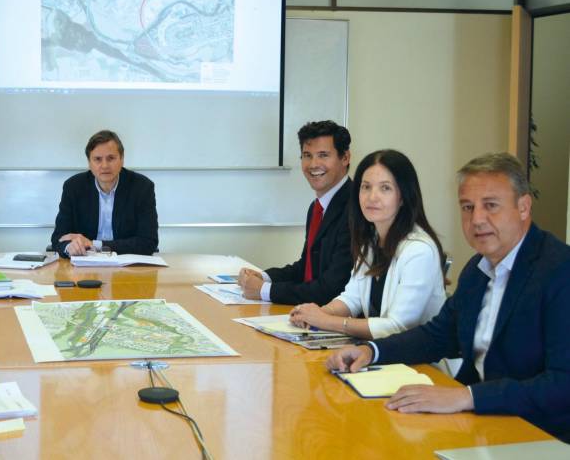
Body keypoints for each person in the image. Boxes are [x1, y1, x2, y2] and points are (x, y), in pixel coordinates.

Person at [327, 153, 570, 441]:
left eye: (490, 205)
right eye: (467, 207)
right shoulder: (478, 269)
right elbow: (438, 335)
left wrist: (467, 397)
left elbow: (562, 384)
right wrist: (372, 352)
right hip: (479, 423)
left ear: (523, 207)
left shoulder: (558, 270)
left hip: (538, 434)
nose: (477, 219)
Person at [289, 150, 446, 339]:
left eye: (385, 188)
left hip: (423, 364)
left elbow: (397, 326)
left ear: (403, 196)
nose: (372, 197)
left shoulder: (419, 250)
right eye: (366, 187)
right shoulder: (371, 242)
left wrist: (326, 321)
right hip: (384, 355)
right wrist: (318, 313)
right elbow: (352, 299)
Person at [238, 120, 354, 304]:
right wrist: (264, 277)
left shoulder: (356, 207)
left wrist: (265, 291)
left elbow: (332, 288)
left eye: (323, 155)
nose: (313, 164)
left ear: (345, 157)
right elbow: (306, 268)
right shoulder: (316, 208)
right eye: (307, 155)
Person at [51, 129, 158, 257]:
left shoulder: (142, 187)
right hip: (84, 266)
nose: (105, 165)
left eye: (111, 158)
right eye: (97, 159)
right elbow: (58, 238)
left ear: (122, 159)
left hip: (126, 266)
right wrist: (70, 247)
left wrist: (95, 244)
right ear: (89, 162)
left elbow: (148, 242)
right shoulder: (73, 187)